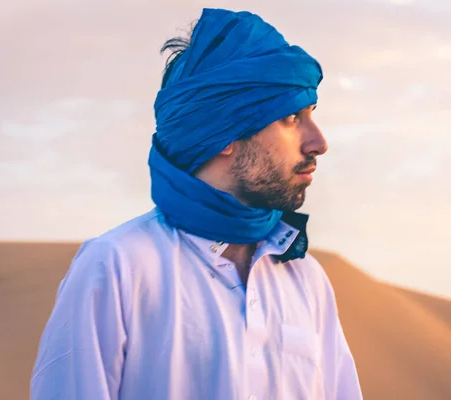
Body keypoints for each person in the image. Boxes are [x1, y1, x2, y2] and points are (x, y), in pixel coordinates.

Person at [31, 8, 363, 400]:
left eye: (312, 115)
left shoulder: (304, 278)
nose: (318, 142)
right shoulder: (117, 267)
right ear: (225, 135)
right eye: (292, 117)